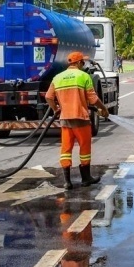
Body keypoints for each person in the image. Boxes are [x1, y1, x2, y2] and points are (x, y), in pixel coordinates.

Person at [45, 51, 110, 189]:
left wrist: (56, 108)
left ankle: (67, 181)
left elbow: (48, 97)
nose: (83, 64)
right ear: (79, 62)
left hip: (65, 120)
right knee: (84, 148)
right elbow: (93, 99)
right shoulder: (83, 76)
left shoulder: (58, 77)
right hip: (81, 119)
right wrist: (103, 108)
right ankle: (86, 178)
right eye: (83, 62)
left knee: (66, 149)